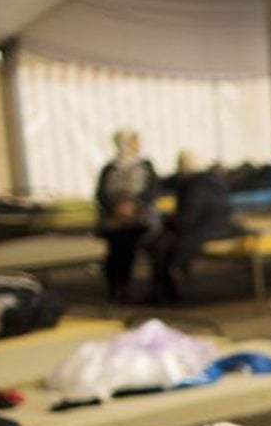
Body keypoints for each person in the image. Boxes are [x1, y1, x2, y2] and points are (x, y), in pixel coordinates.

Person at [150, 152, 241, 305]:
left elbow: (188, 217)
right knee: (163, 244)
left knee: (161, 245)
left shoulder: (194, 185)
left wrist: (167, 222)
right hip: (220, 228)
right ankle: (166, 289)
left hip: (204, 231)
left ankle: (166, 292)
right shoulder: (213, 181)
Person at [93, 129, 159, 305]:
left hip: (139, 217)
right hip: (114, 218)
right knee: (116, 246)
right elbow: (101, 194)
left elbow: (151, 192)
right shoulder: (109, 168)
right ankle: (116, 286)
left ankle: (126, 286)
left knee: (130, 241)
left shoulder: (145, 165)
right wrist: (117, 208)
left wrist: (133, 206)